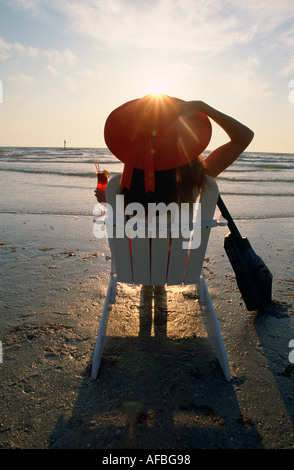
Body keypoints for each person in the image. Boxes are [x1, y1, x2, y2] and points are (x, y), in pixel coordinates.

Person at [95, 94, 254, 207]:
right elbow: (244, 137)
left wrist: (111, 203)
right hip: (180, 255)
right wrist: (202, 107)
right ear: (182, 138)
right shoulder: (193, 180)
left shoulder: (124, 185)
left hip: (131, 255)